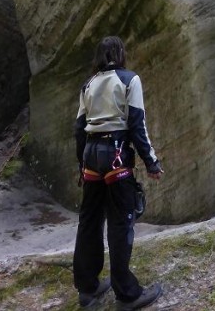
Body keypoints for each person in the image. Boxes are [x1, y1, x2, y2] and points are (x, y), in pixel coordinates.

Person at [73, 36, 164, 310]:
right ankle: (128, 293)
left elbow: (79, 129)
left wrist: (81, 165)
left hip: (91, 156)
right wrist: (152, 162)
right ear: (121, 54)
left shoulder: (88, 85)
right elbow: (137, 124)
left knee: (89, 221)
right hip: (116, 157)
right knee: (120, 222)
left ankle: (87, 289)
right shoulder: (129, 80)